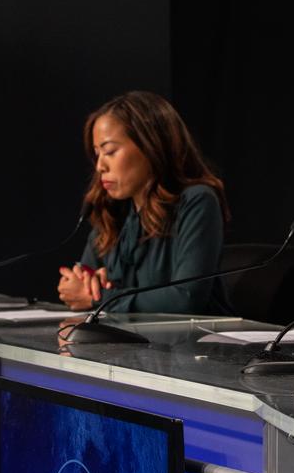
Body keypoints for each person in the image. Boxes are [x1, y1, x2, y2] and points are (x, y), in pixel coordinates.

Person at [57, 91, 230, 314]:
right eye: (97, 153)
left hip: (198, 344)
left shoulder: (197, 201)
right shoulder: (113, 210)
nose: (100, 166)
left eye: (109, 151)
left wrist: (102, 299)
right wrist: (80, 284)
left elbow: (186, 298)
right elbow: (85, 284)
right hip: (134, 344)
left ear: (151, 146)